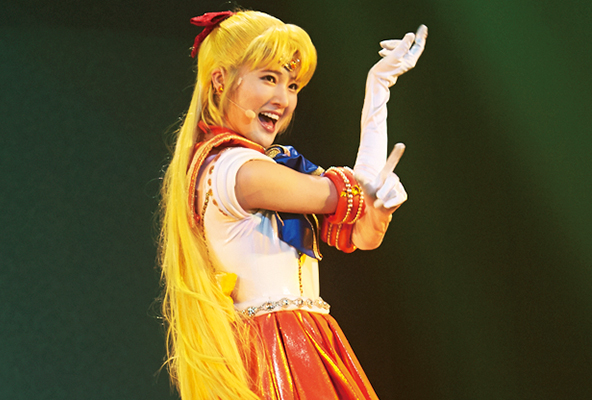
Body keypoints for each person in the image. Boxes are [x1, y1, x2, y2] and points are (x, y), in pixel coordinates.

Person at [158, 9, 427, 400]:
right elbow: (349, 193)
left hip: (305, 339)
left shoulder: (266, 168)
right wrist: (378, 92)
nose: (283, 99)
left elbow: (362, 234)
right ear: (220, 80)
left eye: (293, 85)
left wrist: (381, 210)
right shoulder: (237, 170)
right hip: (273, 352)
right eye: (269, 78)